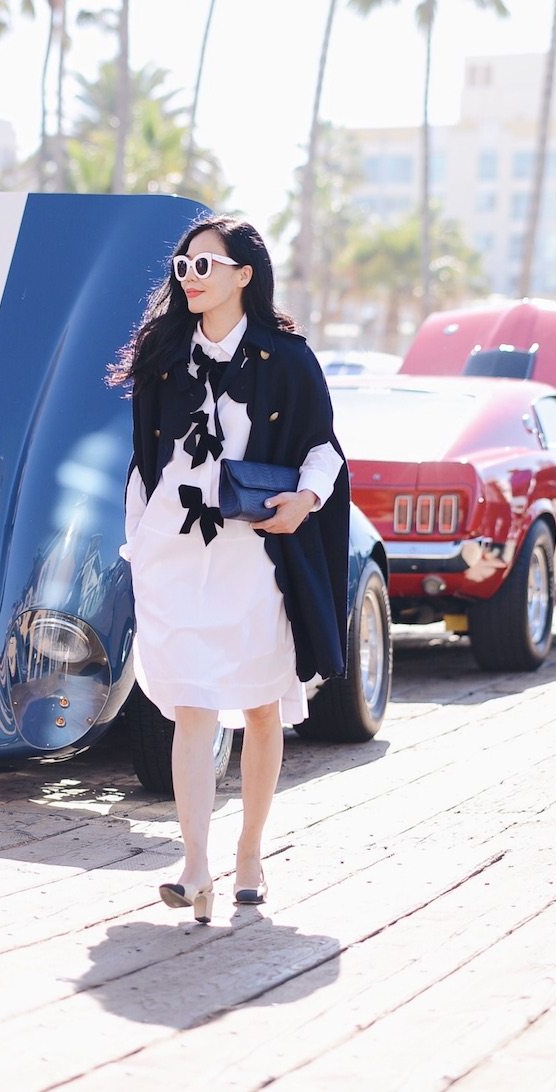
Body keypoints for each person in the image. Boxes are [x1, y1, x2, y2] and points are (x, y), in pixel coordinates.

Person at [111, 214, 349, 924]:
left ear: (245, 274)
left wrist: (304, 500)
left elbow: (325, 448)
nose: (189, 278)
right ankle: (193, 863)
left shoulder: (288, 359)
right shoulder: (163, 356)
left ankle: (249, 853)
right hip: (176, 552)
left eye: (205, 267)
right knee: (191, 703)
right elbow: (144, 461)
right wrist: (139, 542)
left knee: (261, 705)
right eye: (183, 268)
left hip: (255, 555)